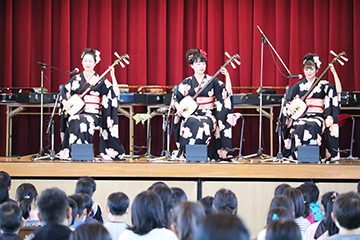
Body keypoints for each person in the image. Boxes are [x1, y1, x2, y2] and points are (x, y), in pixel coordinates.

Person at [58, 48, 125, 160]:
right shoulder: (76, 79)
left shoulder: (100, 79)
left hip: (93, 114)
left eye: (90, 61)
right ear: (82, 62)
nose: (87, 63)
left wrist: (113, 76)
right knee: (75, 119)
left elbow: (114, 93)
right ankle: (77, 155)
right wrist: (64, 101)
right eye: (85, 61)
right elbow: (63, 92)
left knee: (84, 120)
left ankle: (83, 156)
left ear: (95, 63)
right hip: (78, 111)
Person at [174, 48, 238, 160]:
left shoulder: (212, 80)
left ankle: (199, 157)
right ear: (192, 66)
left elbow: (226, 93)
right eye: (198, 63)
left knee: (202, 124)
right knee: (192, 121)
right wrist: (178, 108)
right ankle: (192, 156)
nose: (201, 66)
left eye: (203, 63)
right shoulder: (186, 82)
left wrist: (227, 76)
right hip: (191, 113)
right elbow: (176, 99)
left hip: (208, 114)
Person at [282, 53, 341, 161]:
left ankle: (313, 157)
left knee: (313, 125)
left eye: (311, 69)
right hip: (302, 116)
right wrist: (289, 108)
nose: (308, 72)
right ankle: (298, 155)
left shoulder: (323, 85)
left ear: (317, 70)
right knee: (299, 124)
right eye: (306, 69)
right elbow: (287, 101)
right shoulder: (298, 86)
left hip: (317, 117)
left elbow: (337, 91)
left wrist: (334, 72)